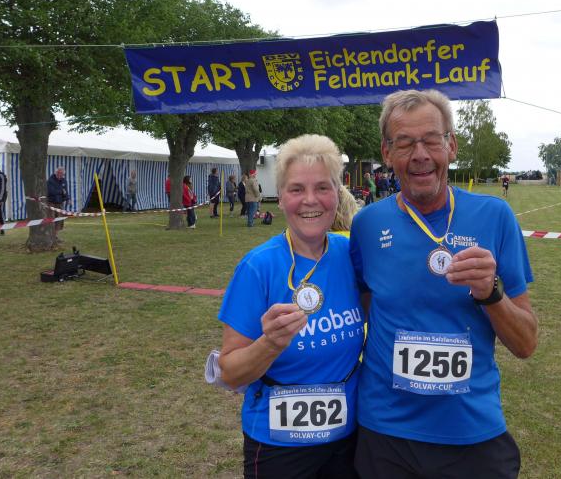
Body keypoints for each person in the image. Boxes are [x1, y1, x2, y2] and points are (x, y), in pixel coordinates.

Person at [349, 89, 537, 479]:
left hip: (471, 431)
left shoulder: (495, 216)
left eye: (431, 140)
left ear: (451, 146)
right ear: (387, 153)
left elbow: (525, 344)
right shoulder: (366, 225)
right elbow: (364, 312)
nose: (420, 154)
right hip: (385, 433)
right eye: (405, 143)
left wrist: (491, 293)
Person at [217, 134, 363, 479]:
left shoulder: (353, 255)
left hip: (348, 439)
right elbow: (230, 373)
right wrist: (269, 344)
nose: (310, 200)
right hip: (278, 446)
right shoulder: (257, 267)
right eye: (296, 189)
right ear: (281, 198)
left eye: (322, 187)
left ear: (337, 193)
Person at [47, 167, 69, 232]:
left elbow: (65, 191)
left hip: (60, 202)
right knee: (51, 219)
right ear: (55, 173)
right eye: (58, 173)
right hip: (51, 202)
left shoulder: (64, 181)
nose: (60, 175)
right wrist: (61, 191)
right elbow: (51, 192)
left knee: (60, 219)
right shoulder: (50, 181)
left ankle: (56, 234)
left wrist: (68, 198)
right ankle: (51, 233)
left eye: (62, 174)